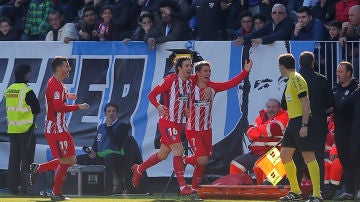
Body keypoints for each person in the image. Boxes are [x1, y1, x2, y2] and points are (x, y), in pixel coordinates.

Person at [131, 56, 196, 196]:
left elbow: (185, 101)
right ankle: (183, 187)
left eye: (190, 65)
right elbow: (151, 95)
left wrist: (187, 110)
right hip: (167, 122)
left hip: (178, 124)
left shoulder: (189, 83)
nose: (190, 68)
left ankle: (139, 169)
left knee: (162, 154)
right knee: (179, 151)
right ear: (179, 68)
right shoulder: (170, 80)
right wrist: (159, 106)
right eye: (186, 66)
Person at [184, 59, 253, 190]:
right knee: (202, 159)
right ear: (198, 73)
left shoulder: (213, 87)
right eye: (205, 71)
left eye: (209, 71)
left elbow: (231, 83)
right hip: (193, 130)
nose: (208, 73)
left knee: (203, 161)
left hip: (207, 130)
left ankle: (194, 189)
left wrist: (245, 72)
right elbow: (181, 79)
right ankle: (184, 160)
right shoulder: (191, 84)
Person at [29, 56, 90, 201]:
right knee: (64, 160)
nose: (69, 68)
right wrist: (78, 107)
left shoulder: (58, 84)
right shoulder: (55, 85)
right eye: (67, 66)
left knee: (71, 160)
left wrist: (68, 95)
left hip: (62, 128)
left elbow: (55, 99)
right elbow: (58, 107)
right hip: (55, 129)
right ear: (59, 68)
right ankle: (55, 193)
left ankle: (40, 169)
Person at [277, 53, 322, 202]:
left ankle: (317, 195)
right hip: (293, 122)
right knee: (284, 156)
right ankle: (295, 191)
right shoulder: (291, 79)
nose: (279, 69)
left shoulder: (296, 78)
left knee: (309, 156)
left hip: (301, 121)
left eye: (279, 67)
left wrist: (304, 124)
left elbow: (305, 102)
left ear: (282, 66)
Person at [77, 102, 145, 195]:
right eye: (109, 111)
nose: (111, 113)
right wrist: (92, 152)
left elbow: (117, 141)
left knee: (108, 158)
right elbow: (97, 143)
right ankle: (75, 188)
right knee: (78, 159)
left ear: (117, 113)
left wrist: (109, 127)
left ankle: (108, 190)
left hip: (117, 155)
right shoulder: (101, 127)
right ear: (105, 113)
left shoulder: (122, 126)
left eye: (113, 111)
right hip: (101, 155)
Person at [297, 51, 334, 194]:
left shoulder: (294, 80)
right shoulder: (322, 79)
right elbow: (330, 103)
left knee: (299, 158)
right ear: (313, 63)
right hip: (318, 124)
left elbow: (284, 104)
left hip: (299, 125)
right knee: (318, 158)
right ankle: (319, 190)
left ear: (299, 64)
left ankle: (297, 190)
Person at [229, 98, 289, 185]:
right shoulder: (262, 116)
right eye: (269, 107)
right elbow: (249, 131)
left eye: (273, 107)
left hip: (274, 152)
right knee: (236, 163)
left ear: (279, 108)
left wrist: (257, 129)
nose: (270, 109)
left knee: (259, 165)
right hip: (256, 152)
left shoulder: (284, 116)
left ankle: (262, 189)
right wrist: (261, 132)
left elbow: (273, 129)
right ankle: (237, 187)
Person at [4, 64, 40, 195]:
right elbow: (37, 109)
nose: (29, 76)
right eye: (29, 74)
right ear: (25, 74)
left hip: (13, 130)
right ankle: (26, 189)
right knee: (27, 161)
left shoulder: (9, 90)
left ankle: (12, 188)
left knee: (13, 160)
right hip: (26, 131)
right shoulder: (26, 90)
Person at [332, 61, 359, 200]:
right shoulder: (335, 89)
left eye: (341, 72)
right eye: (337, 72)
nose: (338, 74)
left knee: (356, 159)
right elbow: (332, 107)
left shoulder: (357, 89)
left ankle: (358, 189)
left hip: (354, 130)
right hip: (340, 130)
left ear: (349, 73)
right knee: (345, 160)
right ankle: (349, 190)